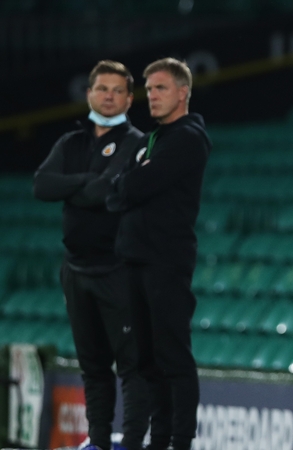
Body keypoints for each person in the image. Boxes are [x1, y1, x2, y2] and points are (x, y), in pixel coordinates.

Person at [32, 60, 149, 450]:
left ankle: (131, 443)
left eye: (117, 91)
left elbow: (104, 193)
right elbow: (41, 185)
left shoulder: (136, 142)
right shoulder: (71, 142)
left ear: (129, 99)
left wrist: (73, 187)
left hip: (118, 270)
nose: (109, 97)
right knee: (93, 366)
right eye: (102, 89)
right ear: (89, 94)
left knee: (132, 365)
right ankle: (98, 442)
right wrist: (85, 180)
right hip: (76, 270)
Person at [106, 58, 212, 450]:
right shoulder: (151, 141)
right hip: (135, 259)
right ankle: (160, 438)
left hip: (165, 261)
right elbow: (116, 191)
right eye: (149, 89)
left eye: (160, 88)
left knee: (172, 355)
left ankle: (180, 441)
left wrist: (128, 184)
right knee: (146, 359)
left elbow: (135, 186)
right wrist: (128, 183)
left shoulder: (188, 138)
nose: (151, 95)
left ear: (183, 92)